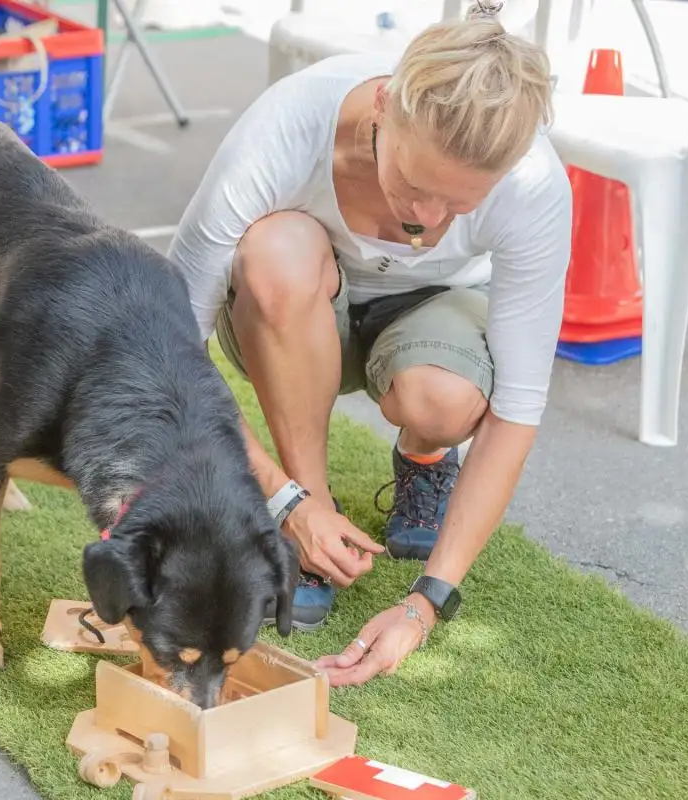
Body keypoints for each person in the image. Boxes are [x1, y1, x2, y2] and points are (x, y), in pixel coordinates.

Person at [166, 0, 571, 685]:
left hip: (431, 310)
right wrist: (285, 500)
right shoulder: (287, 126)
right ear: (383, 105)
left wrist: (426, 603)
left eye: (461, 204)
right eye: (414, 185)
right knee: (277, 251)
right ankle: (309, 513)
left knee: (443, 399)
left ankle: (425, 454)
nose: (428, 219)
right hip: (291, 304)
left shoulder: (533, 185)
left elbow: (518, 407)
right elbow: (171, 344)